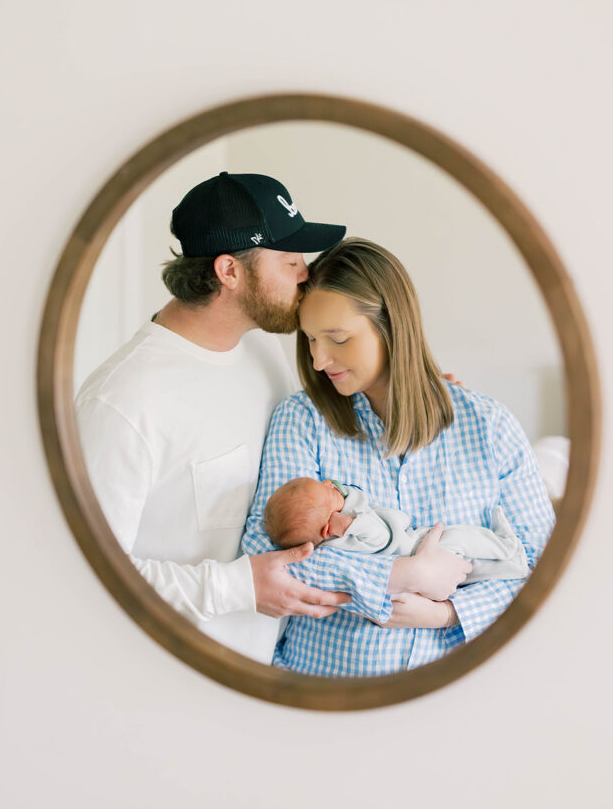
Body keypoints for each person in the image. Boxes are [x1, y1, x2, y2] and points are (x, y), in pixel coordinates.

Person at [75, 170, 358, 663]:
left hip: (266, 675)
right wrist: (237, 587)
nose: (307, 273)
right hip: (165, 687)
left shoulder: (266, 355)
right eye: (290, 260)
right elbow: (86, 574)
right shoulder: (122, 401)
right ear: (230, 271)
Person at [241, 238, 555, 676]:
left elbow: (546, 572)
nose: (318, 360)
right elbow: (265, 554)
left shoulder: (488, 427)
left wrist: (447, 613)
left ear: (392, 327)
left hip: (454, 695)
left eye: (337, 338)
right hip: (321, 689)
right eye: (310, 339)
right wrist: (398, 577)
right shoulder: (302, 420)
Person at [264, 476, 529, 584]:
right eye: (328, 492)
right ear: (328, 528)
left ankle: (512, 567)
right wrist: (352, 522)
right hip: (419, 550)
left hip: (418, 551)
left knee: (472, 568)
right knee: (465, 539)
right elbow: (383, 537)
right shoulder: (346, 535)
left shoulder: (333, 537)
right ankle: (507, 547)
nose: (330, 484)